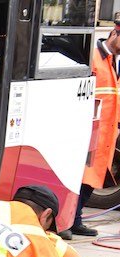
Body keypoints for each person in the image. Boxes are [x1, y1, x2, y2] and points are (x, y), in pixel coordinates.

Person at [66, 18, 120, 239]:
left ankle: (75, 219)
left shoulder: (114, 61)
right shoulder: (93, 58)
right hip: (88, 131)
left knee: (91, 180)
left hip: (106, 133)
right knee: (77, 179)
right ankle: (66, 221)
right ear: (114, 33)